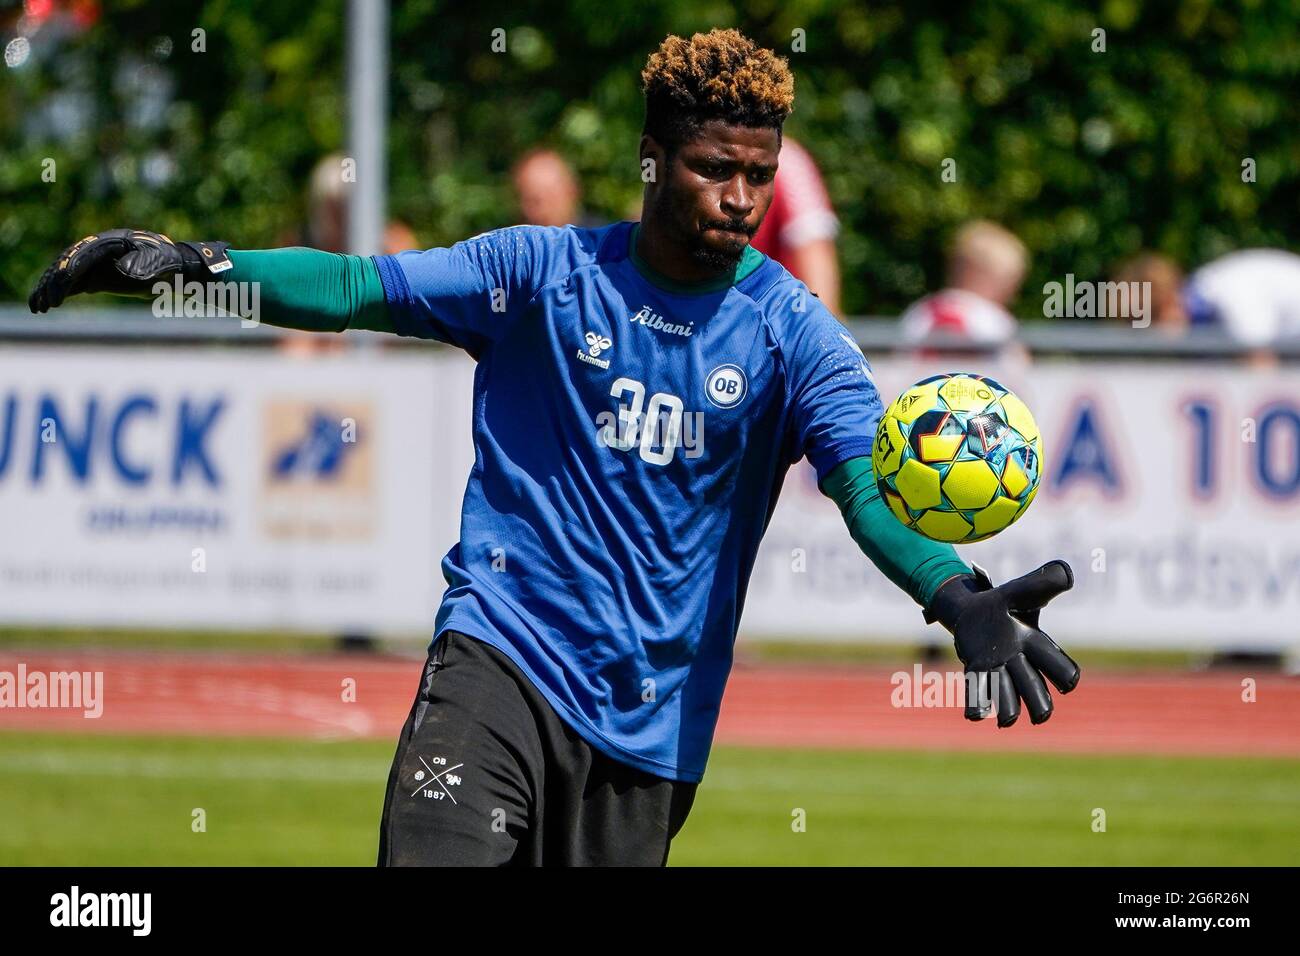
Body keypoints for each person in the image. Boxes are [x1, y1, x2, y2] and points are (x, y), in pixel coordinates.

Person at [27, 28, 1080, 867]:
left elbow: (861, 483)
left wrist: (953, 592)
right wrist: (190, 262)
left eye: (758, 174)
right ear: (650, 160)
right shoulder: (541, 272)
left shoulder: (793, 329)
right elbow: (355, 288)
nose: (742, 198)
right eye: (715, 168)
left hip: (653, 723)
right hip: (500, 660)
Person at [899, 220, 1029, 358]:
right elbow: (1015, 371)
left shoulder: (918, 312)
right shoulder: (992, 320)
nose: (1012, 296)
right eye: (1009, 285)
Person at [749, 137, 842, 313]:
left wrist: (819, 332)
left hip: (772, 324)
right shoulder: (786, 160)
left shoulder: (787, 162)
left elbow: (814, 253)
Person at [511, 148, 602, 229]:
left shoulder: (605, 242)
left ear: (572, 190)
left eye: (550, 196)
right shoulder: (513, 243)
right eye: (533, 200)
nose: (544, 208)